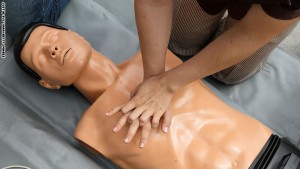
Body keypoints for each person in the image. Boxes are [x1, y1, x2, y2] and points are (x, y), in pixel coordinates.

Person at [14, 22, 272, 168]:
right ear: (48, 84)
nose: (53, 48)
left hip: (271, 149)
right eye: (40, 55)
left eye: (52, 37)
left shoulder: (154, 61)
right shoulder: (90, 131)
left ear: (76, 34)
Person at [108, 0, 300, 138]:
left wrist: (167, 85)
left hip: (270, 9)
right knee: (179, 43)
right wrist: (154, 79)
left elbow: (249, 34)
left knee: (230, 74)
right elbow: (154, 3)